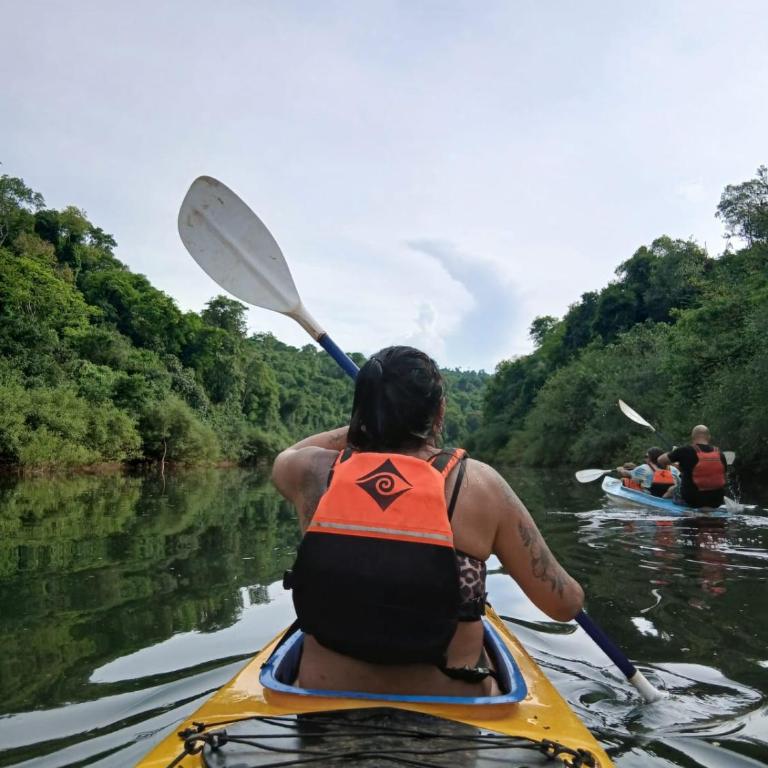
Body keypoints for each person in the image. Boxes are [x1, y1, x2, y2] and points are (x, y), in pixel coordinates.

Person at [272, 346, 583, 697]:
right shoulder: (481, 485)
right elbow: (564, 604)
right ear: (440, 412)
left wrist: (369, 421)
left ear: (362, 410)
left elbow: (288, 453)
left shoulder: (310, 472)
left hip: (323, 697)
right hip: (453, 705)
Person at [657, 425, 727, 508]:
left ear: (692, 436)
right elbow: (722, 473)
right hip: (716, 501)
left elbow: (660, 460)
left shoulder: (685, 450)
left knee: (672, 489)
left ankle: (661, 507)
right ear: (709, 437)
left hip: (692, 500)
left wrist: (674, 452)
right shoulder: (720, 454)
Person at [616, 447, 680, 498]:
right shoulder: (673, 469)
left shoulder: (643, 468)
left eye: (646, 456)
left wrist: (621, 470)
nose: (645, 458)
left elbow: (627, 474)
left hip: (650, 496)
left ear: (650, 458)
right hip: (669, 496)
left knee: (624, 480)